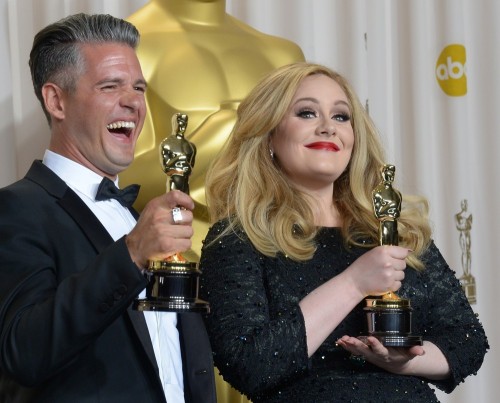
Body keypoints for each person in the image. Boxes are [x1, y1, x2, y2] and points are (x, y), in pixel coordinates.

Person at [198, 62, 488, 402]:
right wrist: (354, 283)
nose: (327, 128)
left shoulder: (394, 231)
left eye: (340, 117)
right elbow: (249, 364)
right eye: (306, 113)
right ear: (269, 136)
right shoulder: (237, 238)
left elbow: (468, 340)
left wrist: (403, 363)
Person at [0, 13, 215, 403]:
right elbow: (22, 353)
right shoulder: (15, 209)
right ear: (56, 100)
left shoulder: (137, 220)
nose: (134, 102)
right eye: (110, 86)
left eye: (138, 87)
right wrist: (131, 254)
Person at [121, 0, 305, 258]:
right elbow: (119, 184)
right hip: (182, 260)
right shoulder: (127, 47)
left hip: (276, 255)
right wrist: (219, 136)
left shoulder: (283, 55)